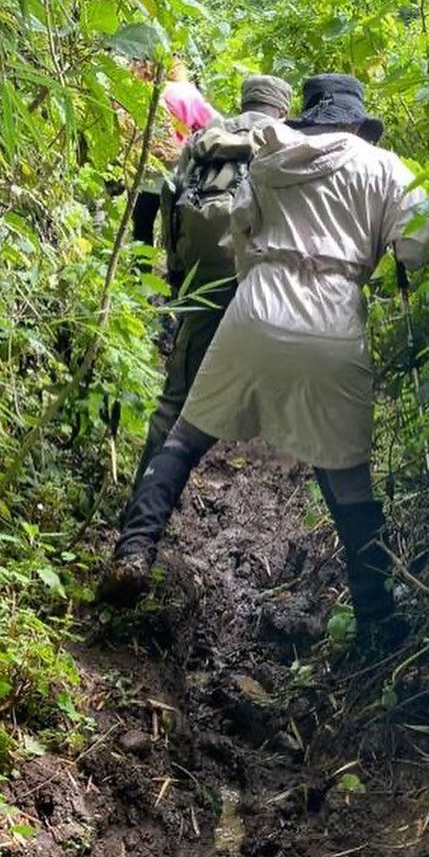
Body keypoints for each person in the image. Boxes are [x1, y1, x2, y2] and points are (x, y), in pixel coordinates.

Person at [101, 74, 429, 648]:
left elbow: (238, 231)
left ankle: (135, 549)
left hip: (256, 306)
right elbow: (419, 244)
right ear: (356, 122)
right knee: (345, 472)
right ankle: (379, 619)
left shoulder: (271, 153)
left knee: (184, 438)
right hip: (334, 321)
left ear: (309, 115)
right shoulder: (385, 167)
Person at [104, 75, 293, 575]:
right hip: (269, 287)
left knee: (175, 403)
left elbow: (166, 200)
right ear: (282, 109)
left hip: (205, 282)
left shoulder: (206, 139)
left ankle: (135, 538)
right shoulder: (287, 142)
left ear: (245, 103)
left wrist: (174, 278)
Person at [131, 60, 219, 249]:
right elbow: (214, 125)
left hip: (149, 171)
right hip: (182, 170)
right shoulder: (186, 92)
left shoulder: (139, 91)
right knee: (177, 225)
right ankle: (175, 270)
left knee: (142, 223)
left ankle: (140, 273)